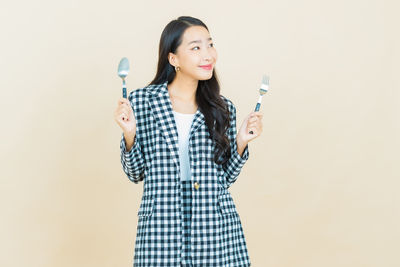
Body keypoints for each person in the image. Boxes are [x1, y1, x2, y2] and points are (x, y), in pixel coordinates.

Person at [114, 16, 263, 267]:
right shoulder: (141, 102)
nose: (208, 55)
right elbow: (135, 173)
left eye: (210, 45)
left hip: (213, 224)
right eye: (196, 48)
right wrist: (129, 134)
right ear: (173, 59)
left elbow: (225, 178)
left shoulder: (222, 108)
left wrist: (240, 143)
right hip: (161, 222)